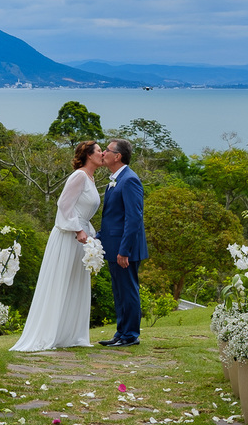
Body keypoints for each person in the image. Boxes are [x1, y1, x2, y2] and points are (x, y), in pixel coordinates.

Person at [10, 140, 105, 351]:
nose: (103, 154)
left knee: (75, 283)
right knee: (61, 281)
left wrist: (90, 235)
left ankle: (71, 335)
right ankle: (49, 334)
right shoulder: (79, 175)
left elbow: (83, 210)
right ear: (88, 155)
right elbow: (63, 204)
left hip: (81, 238)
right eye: (99, 151)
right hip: (68, 236)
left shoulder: (90, 178)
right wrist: (78, 229)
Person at [98, 137, 148, 347]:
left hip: (124, 249)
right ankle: (121, 332)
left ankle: (130, 335)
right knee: (119, 291)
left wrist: (124, 250)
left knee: (128, 290)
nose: (103, 154)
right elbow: (112, 216)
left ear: (117, 156)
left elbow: (134, 217)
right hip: (114, 246)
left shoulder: (129, 180)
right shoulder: (115, 179)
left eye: (107, 150)